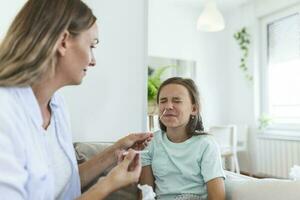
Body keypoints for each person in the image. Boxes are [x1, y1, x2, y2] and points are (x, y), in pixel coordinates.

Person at [0, 0, 153, 199]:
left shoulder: (57, 106)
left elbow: (65, 185)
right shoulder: (5, 112)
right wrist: (106, 185)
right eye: (91, 45)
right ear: (63, 41)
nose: (93, 60)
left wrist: (117, 148)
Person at [139, 77, 225, 200]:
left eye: (177, 101)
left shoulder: (206, 145)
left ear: (194, 109)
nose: (168, 106)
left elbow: (218, 197)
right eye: (163, 101)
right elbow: (146, 194)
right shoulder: (150, 143)